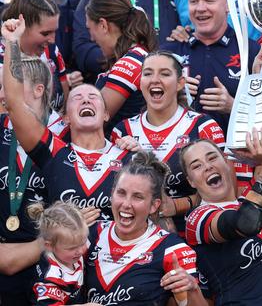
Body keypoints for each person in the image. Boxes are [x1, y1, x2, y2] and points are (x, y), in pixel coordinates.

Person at [2, 14, 137, 221]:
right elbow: (15, 103)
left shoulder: (129, 155)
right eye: (77, 98)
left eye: (93, 96)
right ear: (66, 118)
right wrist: (12, 42)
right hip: (60, 249)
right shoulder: (55, 153)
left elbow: (158, 211)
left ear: (106, 114)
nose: (85, 100)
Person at [111, 51, 226, 235]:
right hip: (136, 240)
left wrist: (176, 206)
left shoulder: (203, 126)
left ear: (181, 83)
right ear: (140, 82)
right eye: (148, 73)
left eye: (164, 73)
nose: (155, 80)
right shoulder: (122, 131)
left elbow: (225, 190)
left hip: (194, 234)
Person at [84, 151, 205, 305]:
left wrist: (192, 287)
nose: (126, 204)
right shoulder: (89, 235)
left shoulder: (172, 249)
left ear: (154, 206)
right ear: (111, 195)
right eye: (121, 193)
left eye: (138, 197)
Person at [183, 131, 262, 305]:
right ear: (191, 181)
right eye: (197, 166)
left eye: (212, 158)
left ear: (227, 163)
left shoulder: (248, 199)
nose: (208, 166)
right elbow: (246, 223)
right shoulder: (197, 219)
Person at [0, 59, 66, 305]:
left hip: (53, 261)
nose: (3, 93)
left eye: (9, 85)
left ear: (39, 90)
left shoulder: (67, 133)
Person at [161, 0, 260, 132]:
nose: (200, 8)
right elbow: (149, 109)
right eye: (194, 1)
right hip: (180, 153)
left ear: (228, 5)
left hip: (234, 153)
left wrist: (233, 106)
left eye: (209, 0)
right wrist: (174, 99)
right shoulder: (170, 52)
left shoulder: (251, 51)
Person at [86, 0, 158, 131]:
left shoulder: (130, 63)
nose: (91, 38)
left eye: (90, 29)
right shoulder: (136, 55)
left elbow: (93, 122)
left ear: (103, 25)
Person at [1, 0, 69, 113]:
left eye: (55, 32)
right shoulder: (2, 60)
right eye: (46, 33)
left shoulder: (52, 50)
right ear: (20, 27)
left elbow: (64, 105)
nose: (53, 40)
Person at [28, 201, 94, 306]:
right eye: (72, 248)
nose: (81, 251)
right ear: (49, 246)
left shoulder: (70, 253)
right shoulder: (49, 278)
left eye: (83, 243)